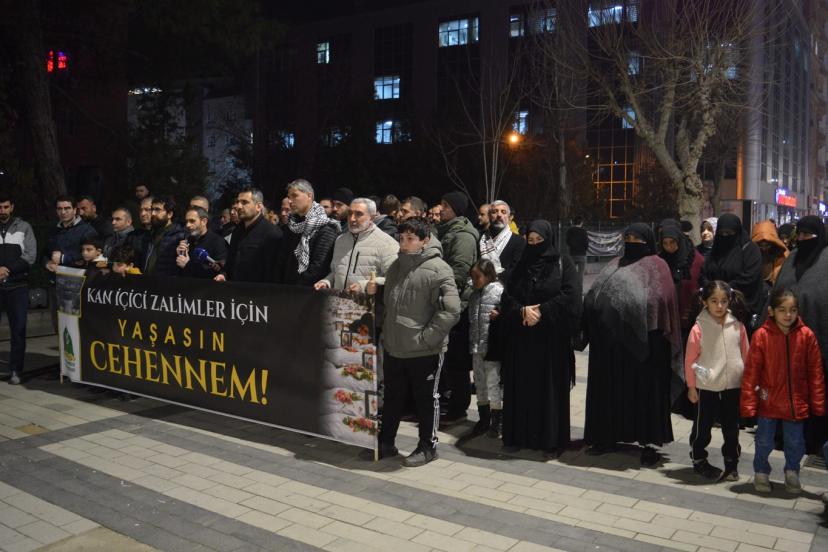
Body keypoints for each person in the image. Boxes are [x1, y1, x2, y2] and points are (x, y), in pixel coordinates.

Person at [582, 223, 681, 465]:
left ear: (648, 241)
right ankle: (606, 437)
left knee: (645, 396)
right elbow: (595, 293)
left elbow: (661, 300)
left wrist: (630, 307)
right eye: (628, 238)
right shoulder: (614, 263)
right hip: (611, 346)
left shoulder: (658, 266)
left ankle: (649, 443)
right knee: (611, 393)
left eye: (637, 239)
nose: (632, 242)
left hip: (647, 347)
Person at [367, 218, 461, 466]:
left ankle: (428, 447)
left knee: (426, 400)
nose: (404, 243)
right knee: (393, 397)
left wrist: (425, 339)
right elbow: (392, 303)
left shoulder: (439, 269)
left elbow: (451, 310)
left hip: (424, 350)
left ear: (425, 241)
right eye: (401, 238)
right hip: (395, 346)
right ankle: (386, 442)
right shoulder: (396, 266)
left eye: (410, 239)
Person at [499, 220, 580, 454]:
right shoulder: (520, 264)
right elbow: (507, 297)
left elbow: (571, 296)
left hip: (551, 340)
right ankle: (519, 437)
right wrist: (522, 311)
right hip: (522, 339)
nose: (534, 245)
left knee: (549, 390)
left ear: (549, 239)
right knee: (522, 388)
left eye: (539, 240)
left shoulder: (563, 263)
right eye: (530, 240)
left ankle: (551, 440)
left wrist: (542, 311)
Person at [741, 288, 825, 493]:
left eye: (792, 310)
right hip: (768, 399)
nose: (788, 315)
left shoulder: (806, 336)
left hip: (796, 401)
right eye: (782, 310)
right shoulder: (761, 336)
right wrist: (751, 401)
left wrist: (818, 403)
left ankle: (792, 472)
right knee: (763, 441)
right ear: (771, 311)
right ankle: (761, 471)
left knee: (795, 442)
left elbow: (815, 372)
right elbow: (752, 372)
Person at [772, 216, 828, 454]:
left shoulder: (825, 261)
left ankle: (812, 439)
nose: (803, 239)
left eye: (809, 235)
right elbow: (777, 293)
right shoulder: (792, 258)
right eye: (801, 235)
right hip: (785, 339)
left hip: (817, 341)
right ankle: (783, 436)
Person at [685, 281, 749, 481]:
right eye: (714, 301)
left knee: (732, 428)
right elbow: (690, 360)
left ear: (729, 301)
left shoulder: (738, 326)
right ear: (705, 302)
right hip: (706, 387)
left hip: (733, 386)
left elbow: (746, 355)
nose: (719, 306)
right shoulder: (698, 328)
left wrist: (747, 382)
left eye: (723, 301)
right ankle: (698, 459)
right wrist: (692, 386)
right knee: (702, 427)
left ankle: (731, 463)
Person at [437, 191, 480, 421]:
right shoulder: (447, 230)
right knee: (448, 359)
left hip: (457, 305)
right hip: (446, 302)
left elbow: (459, 271)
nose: (440, 208)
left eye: (445, 205)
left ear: (456, 209)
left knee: (456, 361)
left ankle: (458, 406)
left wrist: (440, 293)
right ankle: (450, 400)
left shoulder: (463, 236)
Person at [314, 198, 398, 292]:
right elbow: (335, 272)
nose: (352, 219)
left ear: (372, 218)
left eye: (358, 214)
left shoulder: (387, 243)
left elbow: (395, 278)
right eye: (350, 213)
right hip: (338, 300)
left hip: (367, 301)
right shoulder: (340, 240)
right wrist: (326, 282)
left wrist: (364, 286)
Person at [702, 213, 763, 329]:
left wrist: (723, 290)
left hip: (739, 311)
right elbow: (705, 272)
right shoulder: (715, 250)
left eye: (729, 233)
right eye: (722, 233)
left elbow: (750, 277)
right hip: (713, 310)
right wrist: (711, 289)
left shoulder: (750, 250)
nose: (725, 236)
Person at [0, 191, 36, 385]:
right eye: (0, 207)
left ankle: (16, 370)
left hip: (18, 286)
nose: (2, 210)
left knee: (19, 330)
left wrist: (7, 269)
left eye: (6, 206)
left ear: (12, 207)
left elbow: (30, 255)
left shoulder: (24, 227)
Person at [275, 180, 338, 286]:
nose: (290, 201)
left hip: (306, 292)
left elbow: (318, 267)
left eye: (295, 196)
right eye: (289, 197)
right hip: (285, 289)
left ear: (309, 196)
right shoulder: (291, 226)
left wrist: (296, 288)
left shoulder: (325, 227)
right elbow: (282, 260)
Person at [467, 258, 504, 437]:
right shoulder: (474, 295)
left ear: (488, 275)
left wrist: (500, 314)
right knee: (480, 383)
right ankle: (484, 419)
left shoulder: (499, 292)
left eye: (478, 277)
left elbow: (507, 314)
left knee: (493, 384)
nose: (474, 280)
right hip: (476, 347)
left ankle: (497, 421)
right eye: (472, 277)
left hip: (492, 348)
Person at [216, 187, 282, 283]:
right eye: (238, 202)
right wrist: (223, 274)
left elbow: (274, 274)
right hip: (233, 290)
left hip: (257, 291)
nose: (238, 206)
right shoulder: (237, 231)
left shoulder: (272, 233)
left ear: (258, 206)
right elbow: (230, 262)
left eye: (244, 202)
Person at [659, 220, 704, 339]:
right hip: (666, 320)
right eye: (665, 243)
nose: (669, 247)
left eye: (672, 242)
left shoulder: (695, 260)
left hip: (689, 319)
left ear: (679, 240)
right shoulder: (660, 260)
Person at [480, 200, 526, 283]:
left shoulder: (519, 241)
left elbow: (516, 272)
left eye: (503, 212)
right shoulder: (481, 238)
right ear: (489, 216)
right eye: (494, 212)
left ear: (509, 217)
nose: (499, 215)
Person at [177, 206, 228, 279]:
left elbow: (219, 271)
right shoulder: (187, 241)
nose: (187, 225)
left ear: (204, 221)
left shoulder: (218, 242)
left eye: (192, 221)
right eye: (186, 221)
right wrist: (179, 254)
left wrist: (188, 265)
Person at [143, 196, 187, 277]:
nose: (153, 213)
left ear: (169, 214)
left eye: (157, 210)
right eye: (152, 209)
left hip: (166, 283)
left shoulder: (180, 236)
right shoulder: (150, 234)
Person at [565, 217, 588, 286]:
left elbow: (567, 241)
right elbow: (586, 243)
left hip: (572, 254)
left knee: (572, 273)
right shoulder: (584, 231)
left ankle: (572, 287)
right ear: (581, 223)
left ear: (574, 222)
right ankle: (579, 288)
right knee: (580, 274)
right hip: (582, 254)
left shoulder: (570, 231)